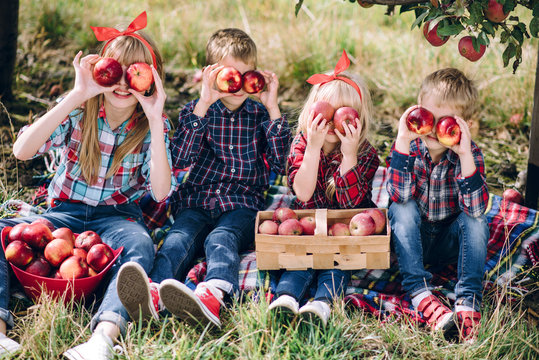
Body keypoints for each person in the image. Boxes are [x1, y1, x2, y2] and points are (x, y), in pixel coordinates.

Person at [0, 11, 175, 360]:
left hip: (118, 218)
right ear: (100, 71)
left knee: (141, 246)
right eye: (116, 71)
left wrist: (155, 118)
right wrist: (77, 94)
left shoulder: (152, 125)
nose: (123, 83)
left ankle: (104, 337)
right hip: (63, 214)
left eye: (136, 74)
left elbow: (160, 192)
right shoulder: (80, 112)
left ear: (151, 80)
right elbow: (22, 151)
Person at [117, 28, 291, 328]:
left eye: (246, 74)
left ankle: (215, 293)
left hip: (242, 203)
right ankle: (153, 291)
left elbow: (282, 163)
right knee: (177, 239)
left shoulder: (261, 116)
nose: (237, 83)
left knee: (221, 238)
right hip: (196, 199)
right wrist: (204, 102)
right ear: (210, 75)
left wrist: (272, 106)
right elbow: (180, 159)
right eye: (229, 74)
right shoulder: (197, 112)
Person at [268, 50, 380, 327]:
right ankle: (285, 299)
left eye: (343, 113)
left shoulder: (365, 153)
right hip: (307, 224)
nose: (332, 121)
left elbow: (351, 205)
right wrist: (314, 148)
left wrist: (349, 155)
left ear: (359, 119)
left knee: (337, 266)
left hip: (345, 229)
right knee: (300, 262)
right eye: (326, 111)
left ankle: (321, 305)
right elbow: (303, 194)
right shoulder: (303, 144)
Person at [386, 68, 489, 342]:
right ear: (417, 110)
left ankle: (468, 301)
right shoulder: (408, 147)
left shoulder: (469, 153)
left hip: (448, 241)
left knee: (477, 220)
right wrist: (403, 140)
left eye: (446, 121)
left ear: (463, 123)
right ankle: (420, 293)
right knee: (401, 206)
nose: (432, 128)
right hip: (413, 240)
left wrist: (465, 155)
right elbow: (397, 192)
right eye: (428, 117)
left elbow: (477, 209)